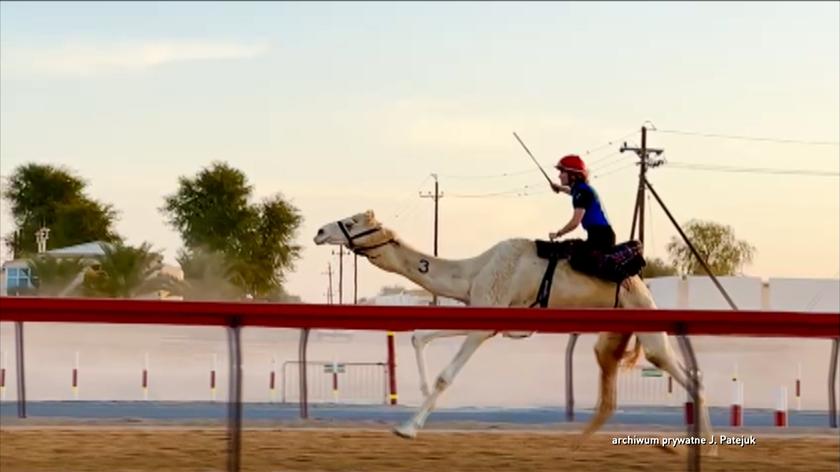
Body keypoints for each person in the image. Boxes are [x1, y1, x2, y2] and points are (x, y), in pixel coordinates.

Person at [548, 154, 616, 252]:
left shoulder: (582, 192)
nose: (559, 176)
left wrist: (558, 234)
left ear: (573, 175)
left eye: (562, 172)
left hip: (601, 239)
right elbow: (571, 192)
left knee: (571, 251)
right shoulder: (581, 189)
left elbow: (575, 222)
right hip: (601, 236)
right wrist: (559, 188)